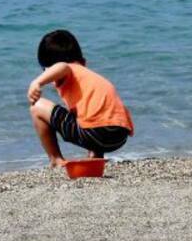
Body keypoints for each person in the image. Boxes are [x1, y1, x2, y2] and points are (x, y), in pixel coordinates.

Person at [27, 29, 134, 166]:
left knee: (36, 107)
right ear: (83, 62)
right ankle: (95, 157)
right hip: (119, 136)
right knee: (87, 114)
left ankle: (55, 159)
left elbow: (63, 67)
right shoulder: (90, 77)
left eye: (45, 70)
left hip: (96, 134)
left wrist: (37, 82)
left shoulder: (68, 69)